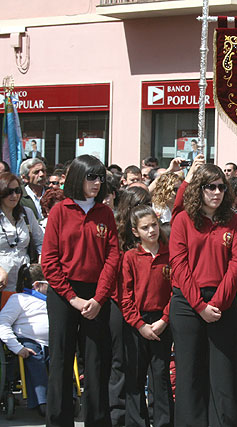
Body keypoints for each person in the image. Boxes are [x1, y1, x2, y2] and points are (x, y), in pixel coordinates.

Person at [41, 154, 120, 426]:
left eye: (100, 178)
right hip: (64, 294)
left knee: (97, 363)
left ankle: (97, 420)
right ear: (77, 178)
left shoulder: (105, 213)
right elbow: (49, 261)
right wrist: (72, 298)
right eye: (91, 177)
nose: (97, 183)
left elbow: (113, 257)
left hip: (97, 294)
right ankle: (58, 420)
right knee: (61, 360)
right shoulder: (60, 211)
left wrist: (99, 297)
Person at [169, 163, 237, 426]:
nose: (216, 192)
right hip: (187, 302)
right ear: (198, 189)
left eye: (221, 187)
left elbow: (236, 264)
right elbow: (179, 264)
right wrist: (200, 305)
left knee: (224, 374)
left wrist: (218, 302)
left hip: (223, 302)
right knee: (189, 372)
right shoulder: (183, 219)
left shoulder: (233, 221)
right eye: (210, 187)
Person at [120, 205, 173, 427]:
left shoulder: (169, 254)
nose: (151, 230)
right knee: (135, 375)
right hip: (137, 323)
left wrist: (164, 320)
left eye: (154, 225)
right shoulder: (130, 257)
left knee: (160, 375)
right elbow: (126, 295)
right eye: (145, 227)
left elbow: (175, 291)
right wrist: (139, 324)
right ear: (135, 231)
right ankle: (137, 422)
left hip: (162, 321)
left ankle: (164, 422)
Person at [0, 264, 49, 417]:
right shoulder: (18, 299)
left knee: (60, 359)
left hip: (52, 342)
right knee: (34, 357)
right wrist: (17, 348)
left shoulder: (51, 300)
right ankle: (43, 401)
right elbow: (3, 324)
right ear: (38, 285)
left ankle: (70, 397)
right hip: (27, 341)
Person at [0, 172, 44, 292]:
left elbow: (41, 241)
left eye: (17, 190)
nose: (14, 195)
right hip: (2, 284)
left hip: (24, 283)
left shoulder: (27, 214)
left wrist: (40, 261)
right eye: (9, 192)